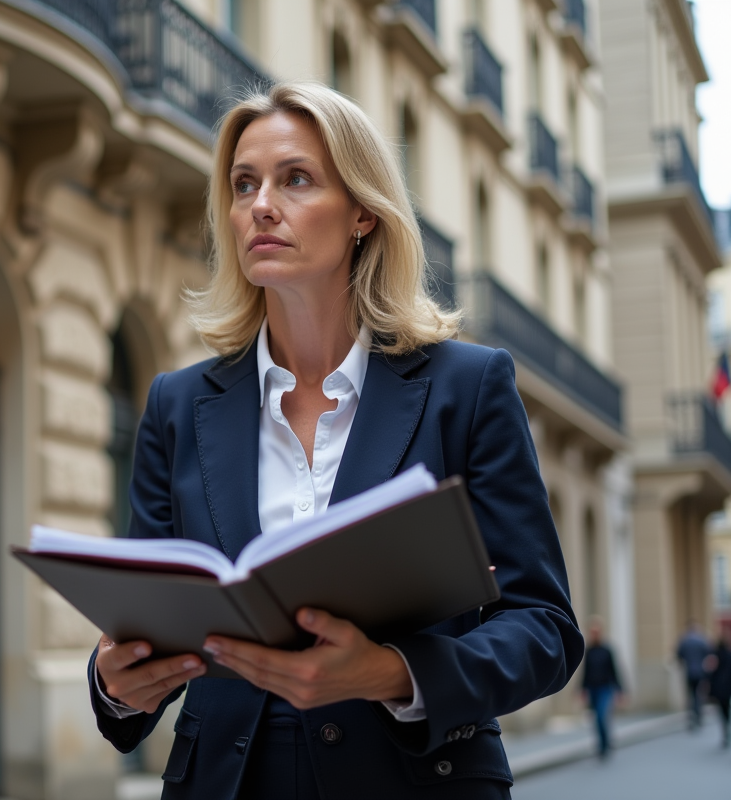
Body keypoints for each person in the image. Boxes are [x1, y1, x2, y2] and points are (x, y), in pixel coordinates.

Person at [87, 81, 584, 799]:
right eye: (243, 184)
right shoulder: (177, 404)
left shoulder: (466, 388)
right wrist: (114, 682)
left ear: (361, 214)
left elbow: (543, 628)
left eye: (295, 180)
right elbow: (149, 625)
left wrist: (391, 671)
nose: (260, 204)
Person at [580, 618, 623, 758]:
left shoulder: (607, 650)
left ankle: (605, 745)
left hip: (605, 688)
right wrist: (582, 689)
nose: (594, 634)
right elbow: (585, 672)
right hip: (593, 688)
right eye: (592, 632)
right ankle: (602, 743)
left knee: (601, 715)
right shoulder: (588, 651)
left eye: (596, 632)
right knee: (596, 718)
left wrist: (620, 690)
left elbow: (614, 670)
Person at [677, 620, 709, 731]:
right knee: (698, 695)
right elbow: (708, 654)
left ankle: (692, 717)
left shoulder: (684, 640)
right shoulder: (702, 640)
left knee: (690, 695)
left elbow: (679, 655)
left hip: (689, 671)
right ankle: (698, 716)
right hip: (700, 671)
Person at [706, 630, 731, 748]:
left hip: (718, 685)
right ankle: (728, 726)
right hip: (728, 685)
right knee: (727, 707)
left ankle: (725, 728)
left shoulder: (715, 654)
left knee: (722, 709)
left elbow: (710, 670)